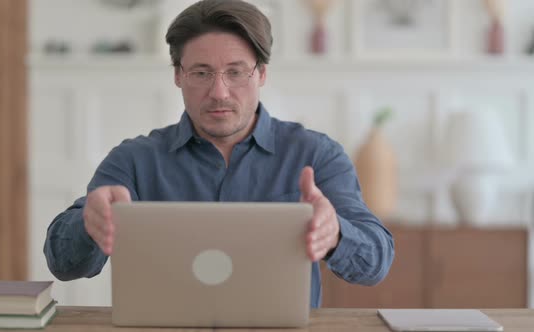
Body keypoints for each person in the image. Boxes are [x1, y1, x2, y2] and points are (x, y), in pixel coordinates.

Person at [44, 0, 394, 308]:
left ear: (262, 74)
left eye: (236, 72)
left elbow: (376, 262)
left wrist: (334, 234)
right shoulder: (134, 160)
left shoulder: (317, 155)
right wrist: (88, 225)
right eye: (201, 72)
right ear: (179, 76)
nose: (219, 92)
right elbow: (62, 263)